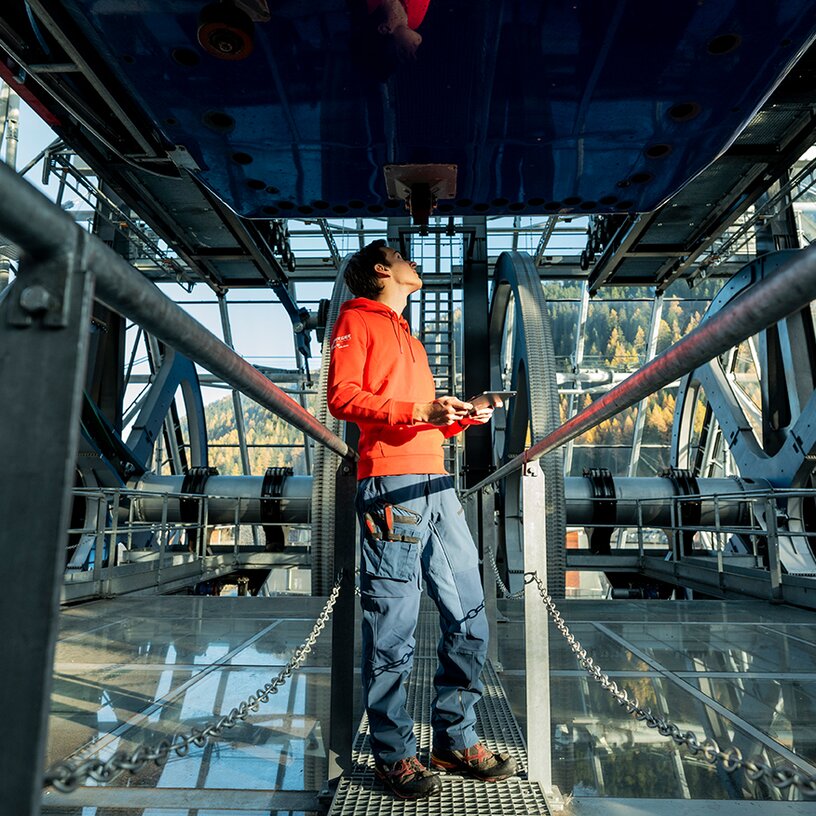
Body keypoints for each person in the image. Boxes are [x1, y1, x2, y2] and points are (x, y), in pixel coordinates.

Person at [327, 240, 517, 800]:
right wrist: (419, 410)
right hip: (391, 488)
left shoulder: (409, 337)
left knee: (471, 616)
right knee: (393, 628)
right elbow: (342, 397)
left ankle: (454, 740)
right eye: (401, 256)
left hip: (437, 485)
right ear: (381, 270)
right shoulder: (356, 321)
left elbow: (420, 420)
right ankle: (394, 755)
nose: (412, 261)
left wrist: (461, 416)